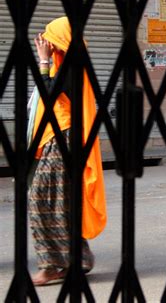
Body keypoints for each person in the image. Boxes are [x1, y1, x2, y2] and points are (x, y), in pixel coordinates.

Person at [27, 17, 107, 286]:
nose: (45, 42)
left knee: (40, 198)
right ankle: (77, 259)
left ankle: (53, 264)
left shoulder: (71, 64)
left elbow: (50, 95)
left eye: (49, 36)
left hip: (65, 138)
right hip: (61, 136)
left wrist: (43, 61)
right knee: (61, 200)